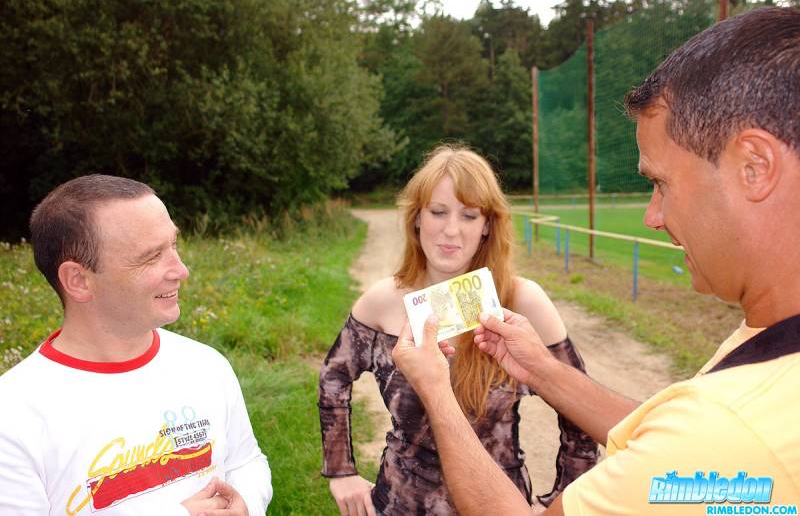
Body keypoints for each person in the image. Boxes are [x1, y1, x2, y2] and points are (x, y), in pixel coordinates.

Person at [392, 6, 800, 515]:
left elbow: (696, 446)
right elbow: (668, 441)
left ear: (755, 166)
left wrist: (436, 390)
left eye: (660, 183)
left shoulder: (726, 429)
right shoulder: (765, 361)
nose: (652, 216)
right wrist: (542, 369)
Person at [318, 146, 598, 516]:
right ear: (417, 218)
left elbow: (580, 410)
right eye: (438, 212)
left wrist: (560, 502)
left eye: (469, 215)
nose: (451, 230)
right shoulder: (382, 301)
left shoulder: (523, 302)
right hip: (399, 504)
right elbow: (333, 377)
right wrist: (340, 470)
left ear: (487, 225)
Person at [0, 175, 273, 515]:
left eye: (173, 245)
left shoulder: (206, 366)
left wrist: (246, 502)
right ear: (78, 280)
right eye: (152, 256)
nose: (181, 270)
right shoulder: (14, 415)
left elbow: (246, 461)